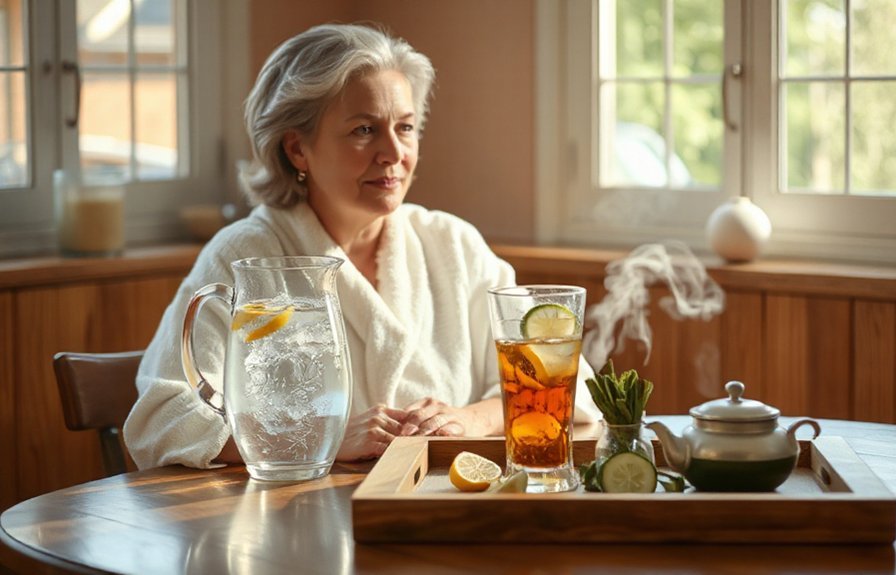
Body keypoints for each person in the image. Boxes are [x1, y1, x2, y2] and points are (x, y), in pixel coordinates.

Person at [124, 23, 599, 469]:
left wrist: (471, 419)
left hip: (429, 511)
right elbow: (162, 418)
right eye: (364, 130)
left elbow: (571, 387)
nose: (394, 153)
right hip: (287, 526)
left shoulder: (453, 246)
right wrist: (317, 437)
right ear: (297, 149)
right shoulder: (244, 256)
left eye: (406, 127)